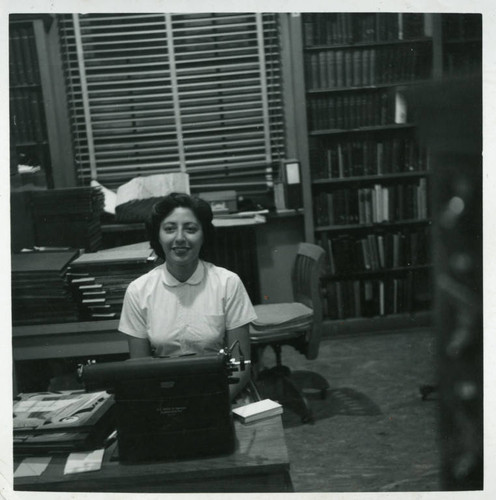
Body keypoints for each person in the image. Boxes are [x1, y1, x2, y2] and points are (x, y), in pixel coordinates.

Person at [118, 192, 257, 400]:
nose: (180, 238)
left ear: (204, 235)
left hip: (220, 393)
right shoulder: (138, 291)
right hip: (164, 397)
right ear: (158, 235)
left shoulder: (228, 283)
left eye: (190, 229)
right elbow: (140, 371)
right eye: (169, 229)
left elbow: (241, 366)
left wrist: (213, 404)